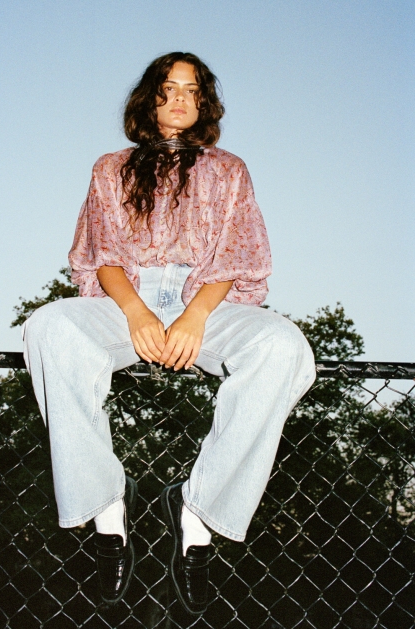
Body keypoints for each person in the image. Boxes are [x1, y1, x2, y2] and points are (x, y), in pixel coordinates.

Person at [23, 52, 316, 615]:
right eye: (169, 87)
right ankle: (107, 511)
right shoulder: (111, 167)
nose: (180, 97)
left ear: (204, 103)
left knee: (283, 347)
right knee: (49, 326)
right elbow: (102, 254)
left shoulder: (229, 169)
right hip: (125, 297)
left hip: (204, 298)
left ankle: (198, 513)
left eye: (192, 89)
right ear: (149, 98)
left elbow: (235, 254)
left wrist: (195, 315)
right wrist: (136, 313)